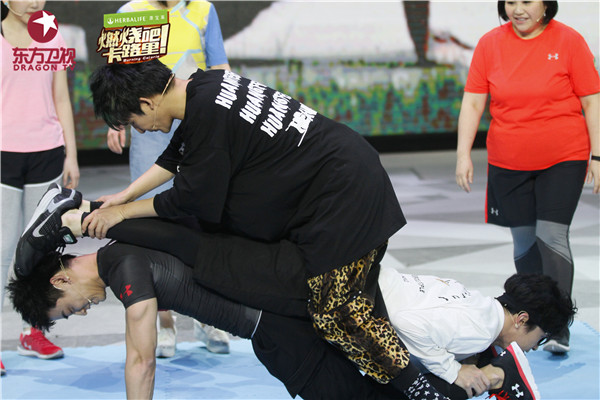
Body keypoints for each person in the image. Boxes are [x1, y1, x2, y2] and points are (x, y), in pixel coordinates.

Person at [84, 59, 447, 398]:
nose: (139, 130)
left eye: (133, 122)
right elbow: (175, 156)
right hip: (345, 175)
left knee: (337, 314)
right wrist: (124, 196)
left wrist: (123, 213)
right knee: (345, 307)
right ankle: (440, 375)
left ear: (147, 103)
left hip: (342, 197)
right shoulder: (207, 85)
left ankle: (426, 391)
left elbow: (189, 199)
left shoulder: (206, 111)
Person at [11, 185, 576, 399]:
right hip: (281, 311)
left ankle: (495, 376)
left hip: (278, 322)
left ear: (61, 278)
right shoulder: (128, 239)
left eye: (67, 310)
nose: (82, 311)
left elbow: (141, 359)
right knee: (375, 379)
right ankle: (490, 370)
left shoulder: (121, 263)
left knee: (370, 391)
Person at [455, 0, 599, 354]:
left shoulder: (569, 41)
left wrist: (597, 154)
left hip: (563, 157)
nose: (518, 9)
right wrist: (463, 154)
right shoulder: (490, 44)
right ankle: (534, 323)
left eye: (527, 2)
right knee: (524, 245)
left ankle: (558, 326)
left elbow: (592, 101)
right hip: (508, 160)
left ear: (546, 5)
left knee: (551, 235)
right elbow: (473, 102)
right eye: (511, 2)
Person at [106, 0, 232, 359]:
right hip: (150, 128)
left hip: (197, 119)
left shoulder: (204, 9)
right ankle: (165, 322)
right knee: (154, 224)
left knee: (206, 220)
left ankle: (209, 317)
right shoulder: (129, 11)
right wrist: (117, 120)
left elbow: (220, 65)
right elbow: (116, 74)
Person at [1, 0, 80, 373]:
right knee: (2, 247)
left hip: (46, 151)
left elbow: (61, 97)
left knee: (35, 249)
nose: (34, 2)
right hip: (3, 153)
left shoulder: (51, 32)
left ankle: (31, 331)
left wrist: (71, 155)